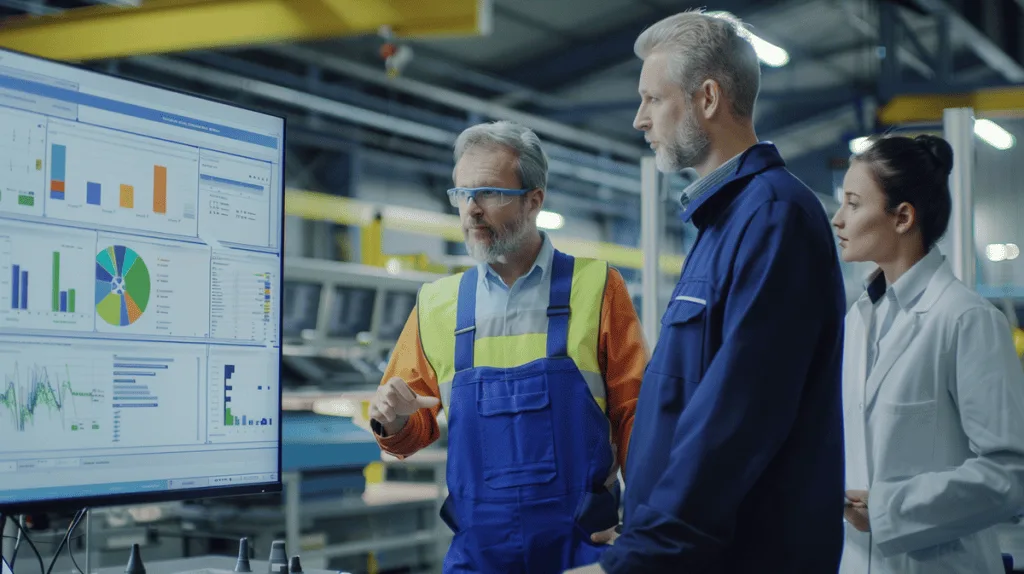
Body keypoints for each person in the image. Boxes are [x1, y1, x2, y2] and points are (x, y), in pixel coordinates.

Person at [575, 9, 848, 574]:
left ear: (706, 98)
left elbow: (737, 416)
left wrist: (642, 555)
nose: (638, 120)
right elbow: (690, 402)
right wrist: (640, 526)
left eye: (652, 99)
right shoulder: (725, 222)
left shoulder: (773, 217)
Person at [368, 120, 648, 574]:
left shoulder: (597, 287)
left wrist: (645, 522)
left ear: (534, 200)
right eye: (461, 194)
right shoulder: (438, 304)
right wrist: (393, 419)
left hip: (582, 550)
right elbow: (410, 426)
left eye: (489, 193)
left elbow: (637, 413)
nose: (471, 210)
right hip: (480, 555)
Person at [832, 133, 1024, 573]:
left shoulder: (965, 320)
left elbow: (1010, 476)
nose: (838, 219)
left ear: (902, 217)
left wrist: (889, 508)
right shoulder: (858, 321)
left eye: (854, 204)